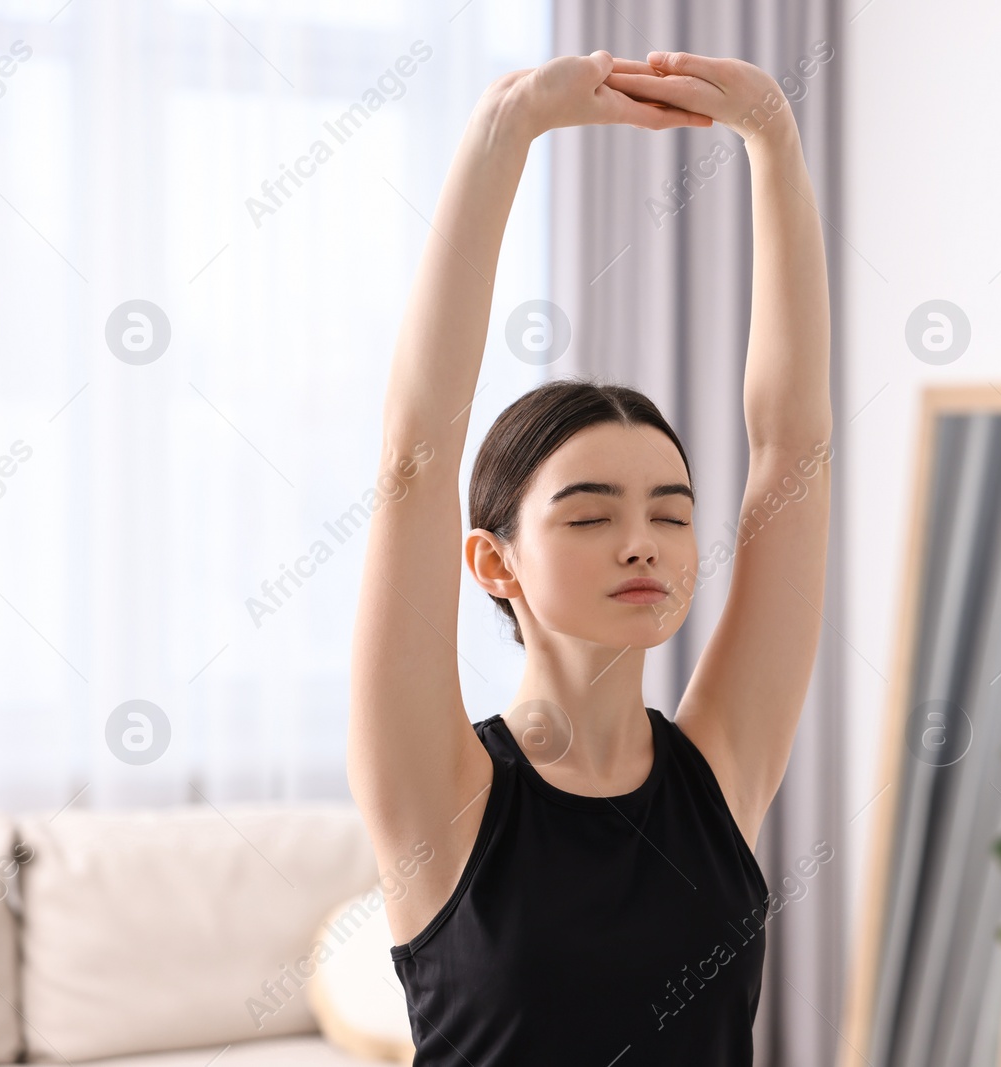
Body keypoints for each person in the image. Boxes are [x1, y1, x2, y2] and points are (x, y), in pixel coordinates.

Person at [345, 49, 832, 1066]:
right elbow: (413, 457)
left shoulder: (719, 774)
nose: (642, 539)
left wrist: (773, 143)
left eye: (669, 509)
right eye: (586, 513)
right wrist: (504, 132)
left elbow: (793, 445)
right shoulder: (439, 791)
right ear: (493, 561)